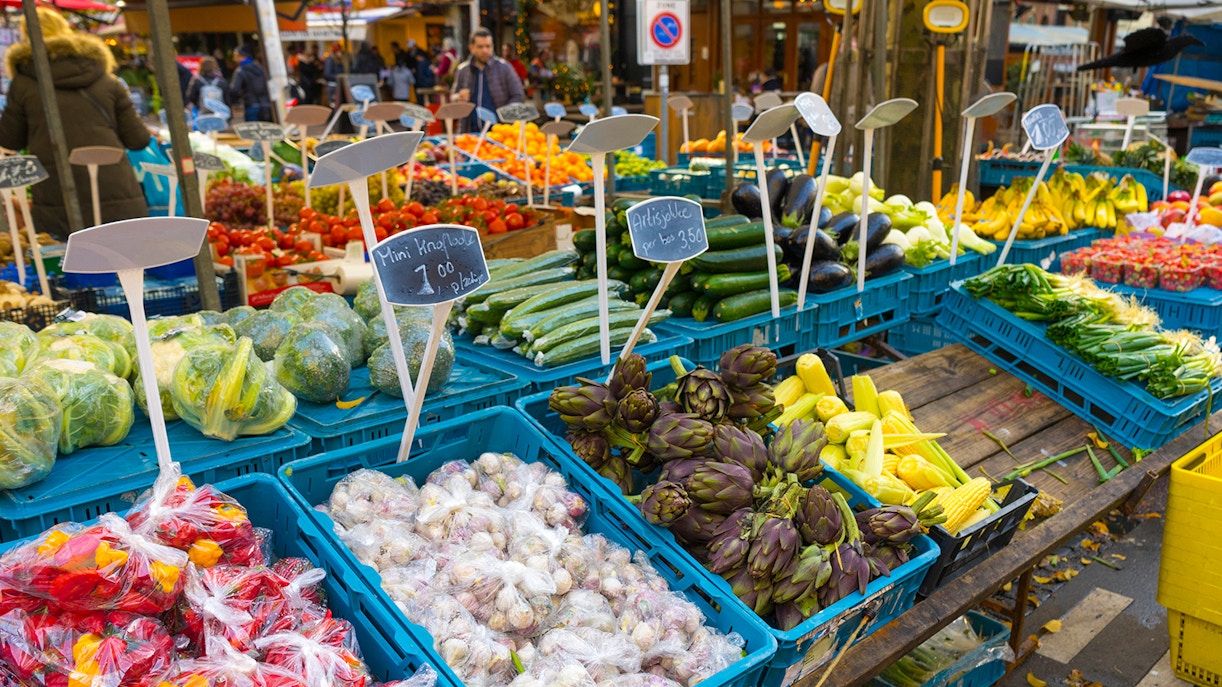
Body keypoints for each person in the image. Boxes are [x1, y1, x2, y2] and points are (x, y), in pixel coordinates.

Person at [0, 8, 150, 237]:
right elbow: (139, 139)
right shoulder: (106, 79)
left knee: (73, 268)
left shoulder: (24, 83)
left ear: (27, 39)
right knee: (126, 266)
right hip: (117, 194)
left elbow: (10, 139)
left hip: (59, 200)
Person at [452, 28, 525, 132]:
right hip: (470, 133)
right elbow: (453, 97)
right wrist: (459, 98)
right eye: (480, 47)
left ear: (492, 47)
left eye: (488, 46)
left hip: (499, 133)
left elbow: (518, 95)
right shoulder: (463, 70)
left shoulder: (504, 68)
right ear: (471, 48)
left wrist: (505, 116)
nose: (485, 50)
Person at [229, 44, 272, 121]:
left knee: (252, 130)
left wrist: (235, 101)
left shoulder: (240, 70)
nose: (233, 58)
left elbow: (235, 89)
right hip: (265, 104)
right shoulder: (260, 68)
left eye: (235, 55)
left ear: (240, 56)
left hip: (250, 104)